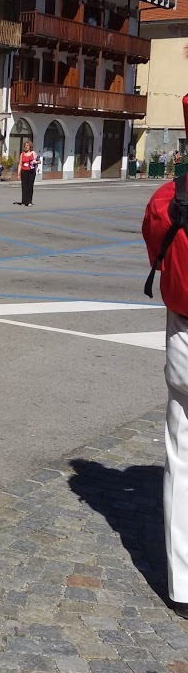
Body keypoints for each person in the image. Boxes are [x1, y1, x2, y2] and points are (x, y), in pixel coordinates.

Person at [143, 97, 188, 618]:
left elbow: (155, 246)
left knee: (181, 458)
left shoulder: (166, 198)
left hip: (186, 338)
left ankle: (183, 585)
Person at [16, 140, 39, 207]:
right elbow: (20, 164)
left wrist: (35, 162)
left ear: (30, 147)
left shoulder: (33, 153)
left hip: (31, 171)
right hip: (24, 171)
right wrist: (18, 174)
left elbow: (39, 161)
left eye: (27, 146)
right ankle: (24, 201)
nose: (26, 147)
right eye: (25, 146)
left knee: (30, 186)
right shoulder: (22, 154)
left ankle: (29, 201)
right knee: (24, 186)